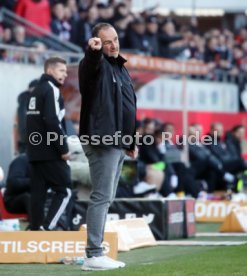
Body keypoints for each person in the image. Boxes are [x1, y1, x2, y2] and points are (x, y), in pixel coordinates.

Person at [78, 22, 138, 270]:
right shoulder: (94, 65)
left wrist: (130, 140)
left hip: (117, 141)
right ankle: (93, 254)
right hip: (102, 140)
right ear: (97, 43)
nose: (113, 45)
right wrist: (92, 51)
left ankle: (96, 252)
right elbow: (91, 64)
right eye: (106, 42)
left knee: (107, 197)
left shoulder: (120, 67)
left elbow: (127, 107)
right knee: (101, 197)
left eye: (114, 39)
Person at [26, 57, 72, 230]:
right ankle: (47, 228)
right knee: (65, 191)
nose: (65, 74)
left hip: (34, 153)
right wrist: (63, 148)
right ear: (50, 70)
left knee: (38, 194)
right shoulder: (51, 89)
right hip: (51, 152)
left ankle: (35, 230)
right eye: (62, 71)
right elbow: (52, 121)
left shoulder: (35, 91)